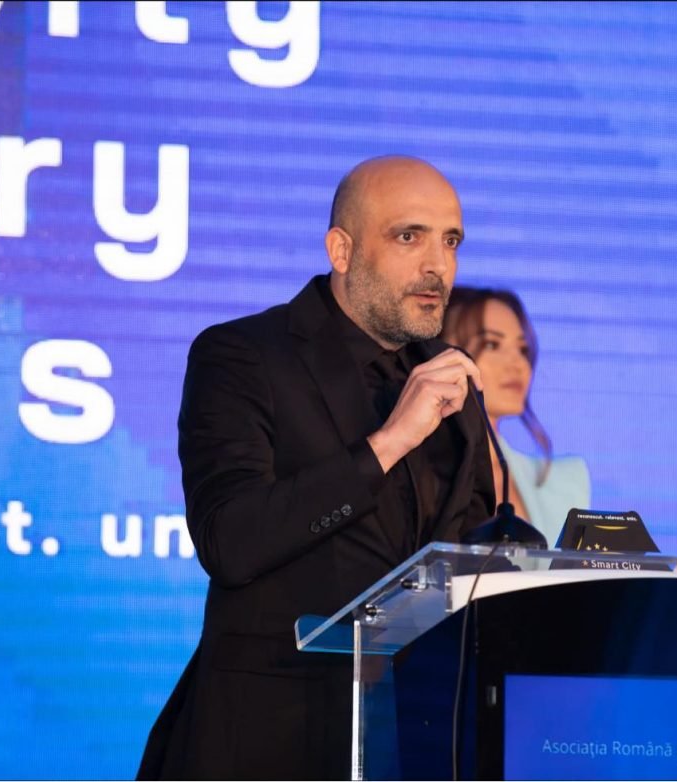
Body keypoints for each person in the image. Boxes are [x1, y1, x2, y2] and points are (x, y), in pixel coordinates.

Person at [137, 156, 495, 780]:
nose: (437, 265)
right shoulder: (243, 356)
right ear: (342, 250)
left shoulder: (449, 379)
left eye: (451, 241)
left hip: (412, 742)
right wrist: (388, 442)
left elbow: (472, 557)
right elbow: (231, 540)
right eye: (409, 237)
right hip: (267, 743)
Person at [441, 286, 590, 547]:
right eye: (492, 344)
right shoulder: (418, 478)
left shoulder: (564, 483)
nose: (517, 364)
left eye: (522, 349)